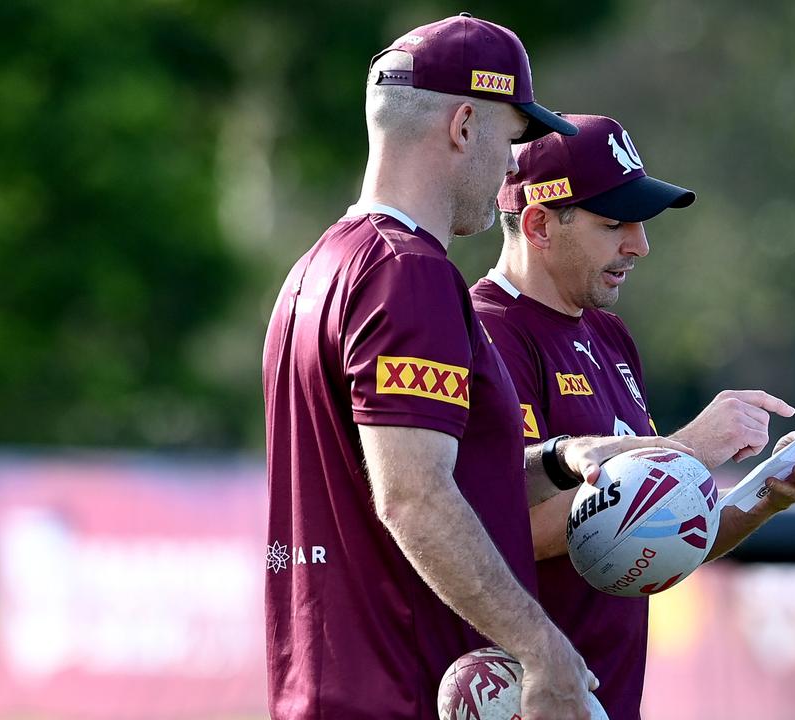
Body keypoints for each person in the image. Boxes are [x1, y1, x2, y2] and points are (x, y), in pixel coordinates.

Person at [262, 20, 685, 720]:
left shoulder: (318, 267)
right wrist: (541, 649)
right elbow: (413, 497)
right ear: (465, 124)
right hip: (401, 693)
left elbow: (419, 480)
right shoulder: (409, 274)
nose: (514, 169)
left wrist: (556, 457)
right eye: (513, 139)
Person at [470, 113, 795, 719]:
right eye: (614, 222)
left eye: (641, 222)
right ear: (538, 223)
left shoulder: (610, 336)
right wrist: (685, 451)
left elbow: (638, 541)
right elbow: (498, 531)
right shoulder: (486, 334)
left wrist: (763, 498)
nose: (639, 244)